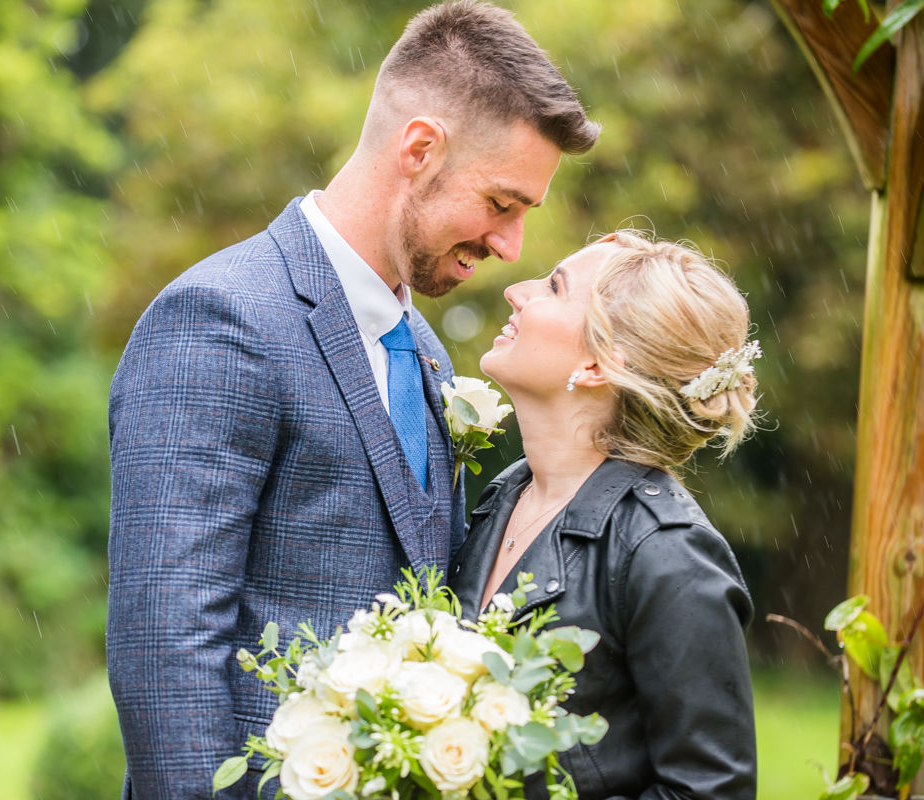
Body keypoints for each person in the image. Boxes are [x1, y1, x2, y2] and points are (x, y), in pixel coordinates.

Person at [106, 2, 599, 798]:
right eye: (503, 204)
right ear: (419, 148)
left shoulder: (431, 357)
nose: (511, 247)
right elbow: (165, 649)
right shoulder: (223, 320)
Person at [449, 230, 759, 800]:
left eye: (554, 287)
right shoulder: (502, 496)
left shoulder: (669, 553)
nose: (517, 291)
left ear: (598, 365)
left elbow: (707, 790)